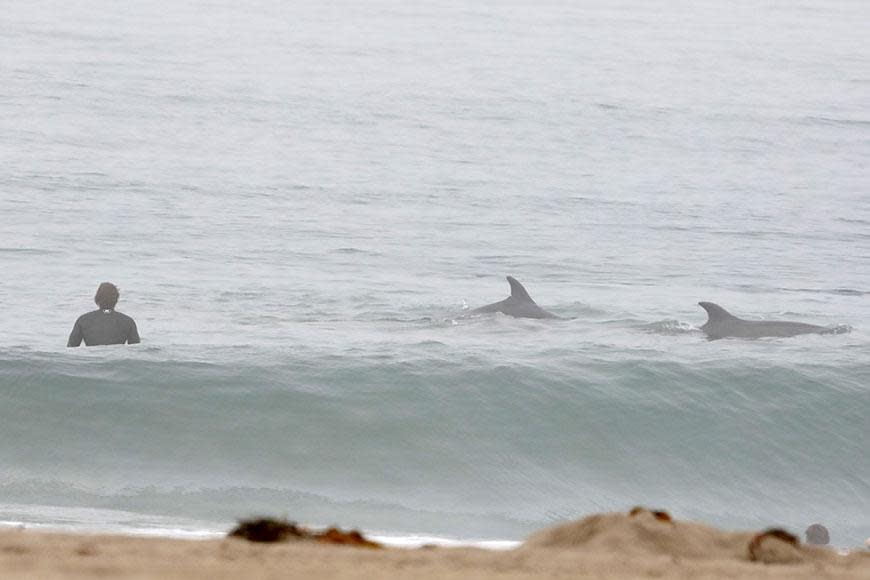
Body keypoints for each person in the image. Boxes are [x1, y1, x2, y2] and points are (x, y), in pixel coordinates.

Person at [67, 282, 140, 347]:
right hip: (115, 359)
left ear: (97, 299)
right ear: (116, 300)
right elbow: (136, 351)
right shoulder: (128, 321)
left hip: (93, 359)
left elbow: (71, 349)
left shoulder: (83, 320)